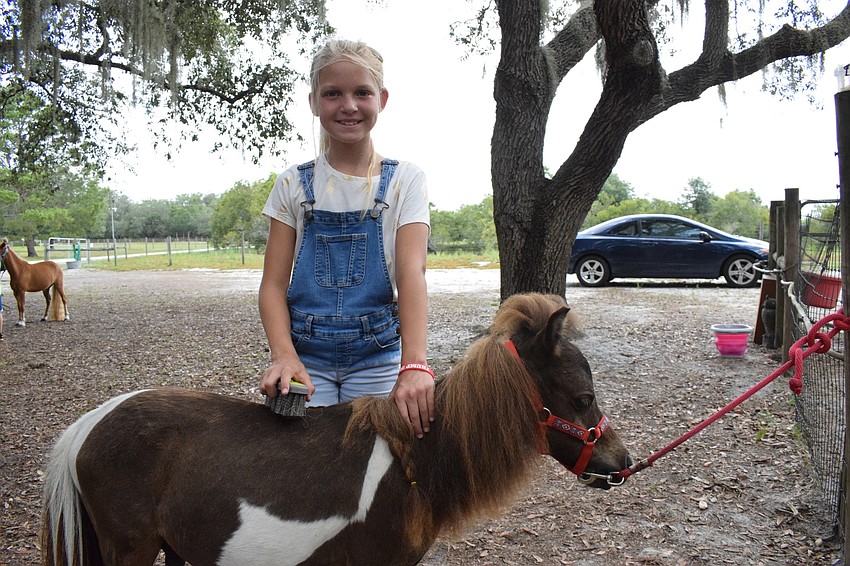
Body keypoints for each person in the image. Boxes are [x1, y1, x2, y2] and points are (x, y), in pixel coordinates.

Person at [258, 39, 434, 438]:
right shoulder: (293, 184)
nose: (348, 105)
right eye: (332, 93)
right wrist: (284, 355)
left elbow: (412, 273)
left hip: (378, 357)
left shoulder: (405, 181)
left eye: (362, 93)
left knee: (381, 467)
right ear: (314, 102)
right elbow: (271, 284)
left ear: (382, 99)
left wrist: (415, 364)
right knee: (304, 467)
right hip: (306, 359)